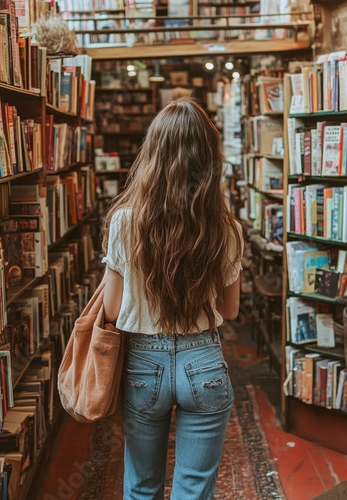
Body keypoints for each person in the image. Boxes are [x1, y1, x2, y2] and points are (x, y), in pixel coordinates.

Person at [101, 97, 243, 500]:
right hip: (204, 362)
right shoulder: (225, 226)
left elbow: (112, 311)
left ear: (153, 152)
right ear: (209, 156)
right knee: (194, 490)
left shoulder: (125, 221)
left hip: (143, 365)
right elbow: (229, 310)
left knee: (142, 487)